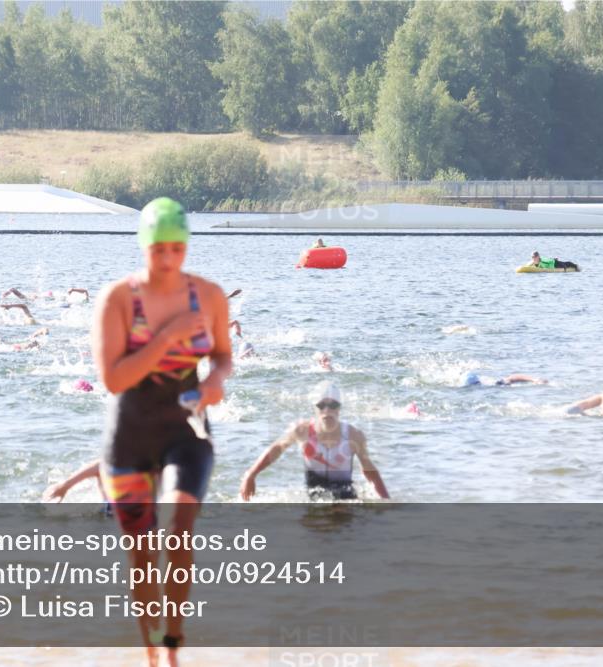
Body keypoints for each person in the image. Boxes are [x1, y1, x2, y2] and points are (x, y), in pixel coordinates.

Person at [93, 196, 232, 666]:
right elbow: (114, 379)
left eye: (177, 248)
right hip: (129, 434)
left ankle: (174, 645)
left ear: (187, 246)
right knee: (142, 555)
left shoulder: (208, 295)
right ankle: (150, 650)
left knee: (178, 528)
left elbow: (224, 355)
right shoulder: (118, 299)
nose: (169, 259)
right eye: (159, 250)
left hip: (185, 429)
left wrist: (215, 379)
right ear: (144, 247)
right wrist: (169, 337)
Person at [240, 381, 390, 502]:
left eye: (333, 405)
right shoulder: (302, 431)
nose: (327, 410)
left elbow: (369, 471)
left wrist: (386, 501)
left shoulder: (354, 435)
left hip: (346, 498)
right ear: (315, 408)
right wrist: (251, 474)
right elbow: (277, 448)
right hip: (315, 497)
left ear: (339, 409)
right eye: (321, 405)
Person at [463, 371, 548, 387]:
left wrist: (534, 380)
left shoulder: (490, 383)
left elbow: (512, 378)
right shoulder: (490, 384)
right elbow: (512, 378)